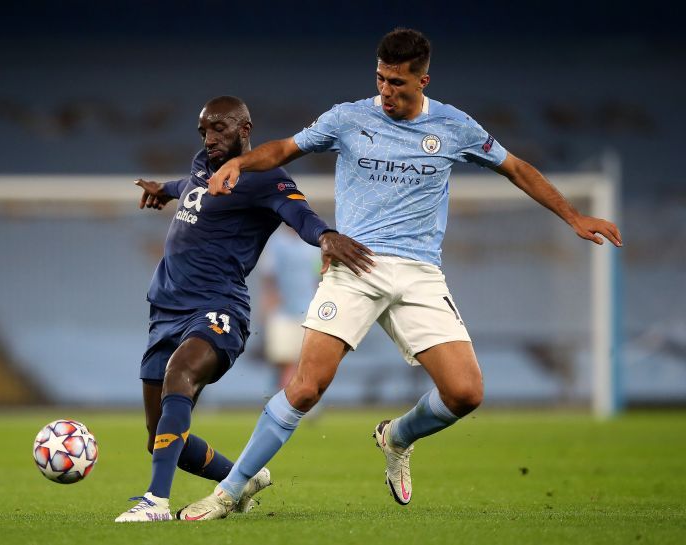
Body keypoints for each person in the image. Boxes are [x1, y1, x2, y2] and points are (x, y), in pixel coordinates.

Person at [177, 29, 622, 520]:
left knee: (465, 393)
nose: (386, 92)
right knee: (305, 386)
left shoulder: (454, 126)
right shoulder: (348, 118)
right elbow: (285, 148)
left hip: (419, 275)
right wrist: (239, 162)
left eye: (397, 84)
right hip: (355, 266)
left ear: (422, 80)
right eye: (380, 80)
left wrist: (574, 216)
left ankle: (396, 437)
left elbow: (515, 168)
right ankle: (228, 492)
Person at [114, 95, 373, 522]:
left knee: (179, 376)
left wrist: (325, 236)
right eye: (204, 131)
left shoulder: (265, 177)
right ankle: (242, 478)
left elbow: (299, 213)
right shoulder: (204, 163)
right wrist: (166, 190)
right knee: (158, 435)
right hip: (165, 311)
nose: (210, 138)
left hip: (218, 308)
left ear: (244, 129)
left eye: (219, 128)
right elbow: (190, 186)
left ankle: (155, 502)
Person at [259, 227, 321, 390]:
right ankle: (284, 400)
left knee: (306, 361)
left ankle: (298, 400)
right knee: (284, 361)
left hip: (308, 311)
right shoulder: (275, 242)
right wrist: (267, 305)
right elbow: (268, 276)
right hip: (282, 311)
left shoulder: (313, 243)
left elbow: (318, 275)